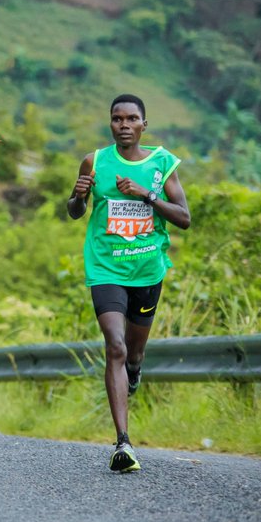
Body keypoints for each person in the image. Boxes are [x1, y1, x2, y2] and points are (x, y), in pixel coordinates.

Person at [67, 94, 190, 473]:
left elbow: (184, 217)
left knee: (133, 355)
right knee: (115, 346)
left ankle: (135, 371)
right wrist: (78, 196)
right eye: (117, 118)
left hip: (148, 271)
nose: (124, 124)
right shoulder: (96, 161)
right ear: (110, 124)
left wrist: (147, 195)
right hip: (105, 268)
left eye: (131, 118)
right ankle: (123, 442)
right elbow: (73, 212)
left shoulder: (161, 163)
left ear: (143, 125)